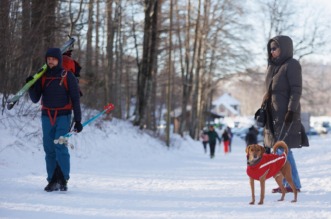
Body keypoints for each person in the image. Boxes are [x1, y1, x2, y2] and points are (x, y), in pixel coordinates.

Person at [27, 48, 83, 192]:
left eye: (53, 59)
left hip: (64, 117)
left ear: (59, 59)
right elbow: (34, 99)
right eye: (48, 59)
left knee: (60, 145)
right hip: (47, 117)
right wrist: (31, 85)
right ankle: (51, 179)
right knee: (49, 148)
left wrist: (78, 120)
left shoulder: (67, 75)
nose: (50, 61)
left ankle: (63, 179)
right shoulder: (43, 76)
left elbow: (76, 99)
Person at [262, 35, 309, 193]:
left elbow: (296, 90)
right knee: (279, 149)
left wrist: (291, 110)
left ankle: (292, 184)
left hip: (286, 114)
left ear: (284, 49)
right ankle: (289, 183)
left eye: (275, 48)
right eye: (271, 49)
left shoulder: (292, 65)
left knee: (282, 149)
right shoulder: (273, 67)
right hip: (273, 115)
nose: (272, 51)